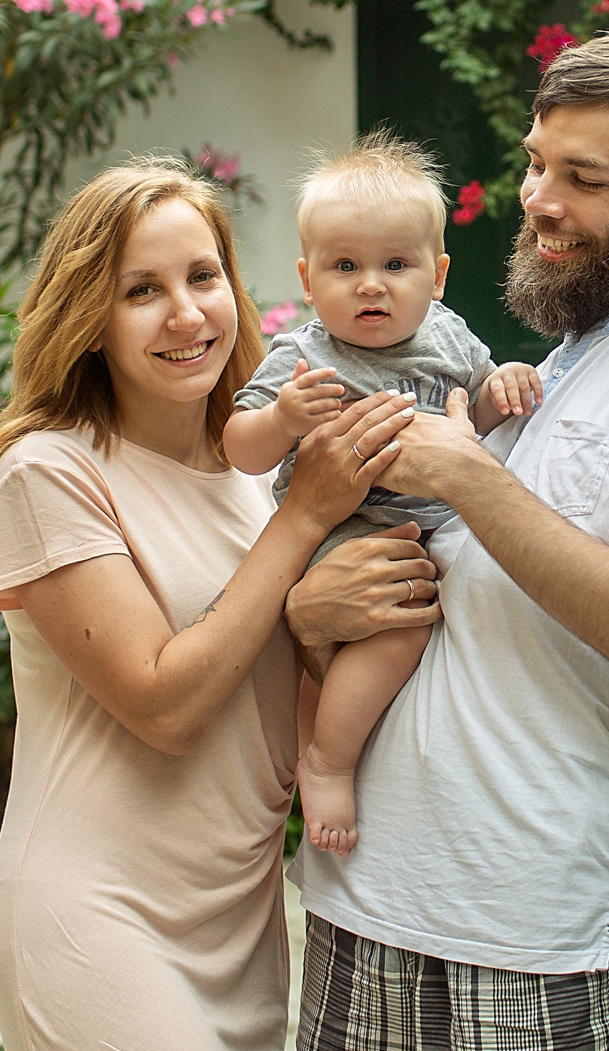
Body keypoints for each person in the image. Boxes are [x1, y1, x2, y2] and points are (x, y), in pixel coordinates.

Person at [288, 29, 609, 1051]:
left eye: (583, 177)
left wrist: (470, 476)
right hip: (363, 903)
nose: (538, 199)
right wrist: (311, 605)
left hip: (537, 934)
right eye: (535, 163)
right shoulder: (538, 375)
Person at [0, 159, 436, 1051]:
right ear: (88, 317)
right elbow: (166, 702)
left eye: (202, 276)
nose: (186, 315)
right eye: (141, 290)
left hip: (240, 922)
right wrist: (303, 524)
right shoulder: (52, 472)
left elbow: (287, 705)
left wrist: (321, 614)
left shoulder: (257, 478)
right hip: (100, 915)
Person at [224, 132, 544, 854]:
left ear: (437, 274)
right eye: (345, 265)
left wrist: (505, 383)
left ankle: (343, 737)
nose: (371, 283)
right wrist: (282, 418)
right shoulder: (302, 355)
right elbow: (238, 445)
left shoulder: (450, 337)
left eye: (396, 264)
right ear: (308, 279)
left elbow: (481, 412)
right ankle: (328, 762)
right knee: (400, 624)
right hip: (348, 527)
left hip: (434, 525)